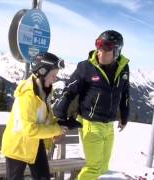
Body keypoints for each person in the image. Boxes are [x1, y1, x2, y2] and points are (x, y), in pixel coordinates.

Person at [54, 30, 130, 180]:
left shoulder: (123, 68)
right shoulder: (86, 67)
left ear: (117, 51)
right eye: (98, 46)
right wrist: (60, 117)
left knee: (103, 167)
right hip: (90, 123)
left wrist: (124, 116)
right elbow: (69, 91)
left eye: (106, 48)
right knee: (94, 168)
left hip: (109, 125)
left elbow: (125, 93)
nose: (100, 52)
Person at [1, 52, 68, 180]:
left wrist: (59, 125)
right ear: (42, 71)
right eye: (53, 75)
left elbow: (45, 117)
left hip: (35, 143)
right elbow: (29, 129)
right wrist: (56, 130)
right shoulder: (28, 95)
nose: (55, 79)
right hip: (18, 147)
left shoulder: (44, 90)